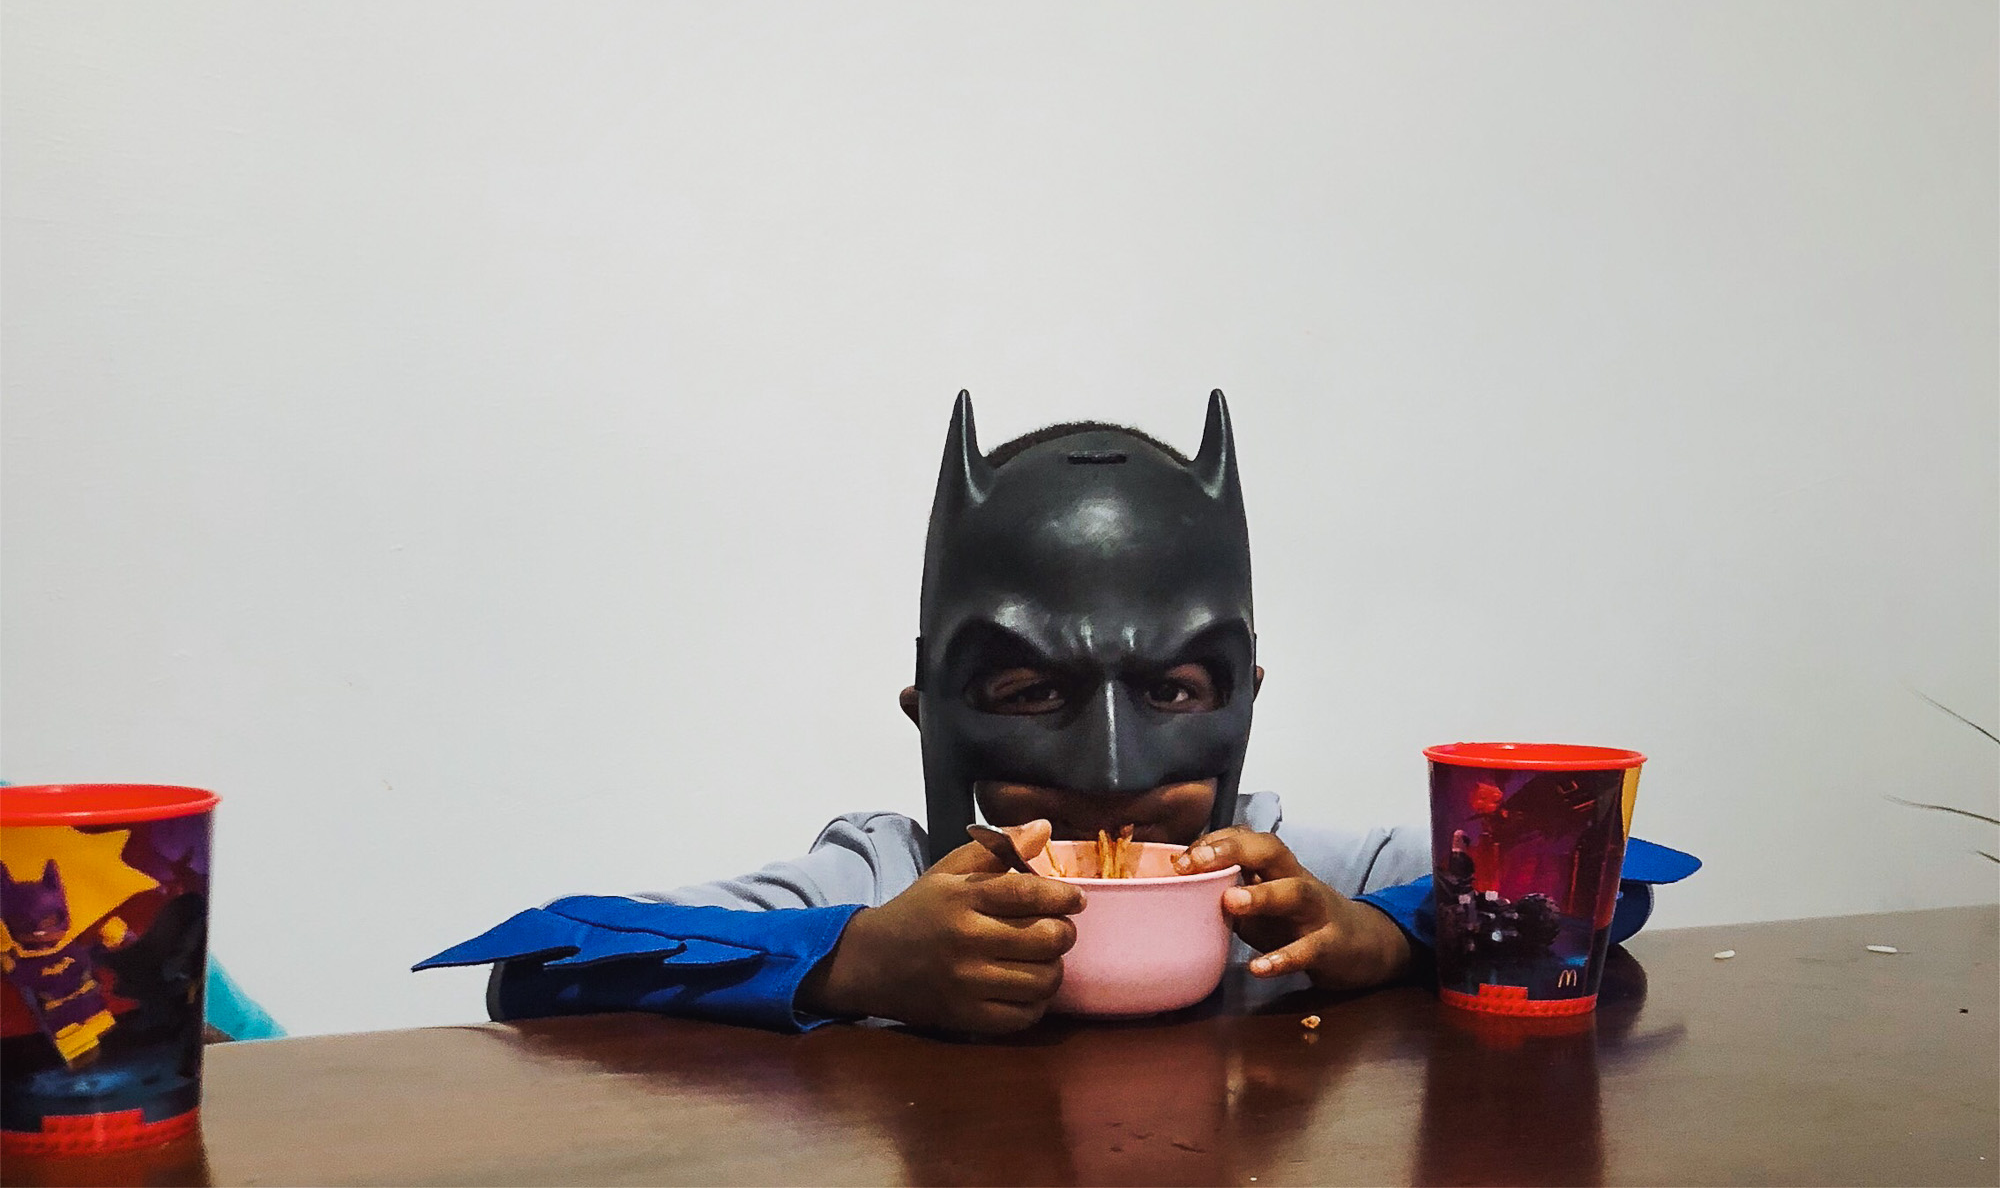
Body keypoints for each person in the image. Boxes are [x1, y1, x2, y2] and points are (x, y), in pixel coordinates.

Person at [416, 392, 1694, 1033]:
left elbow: (1600, 877)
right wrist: (855, 958)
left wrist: (1382, 937)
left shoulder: (1290, 881)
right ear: (933, 710)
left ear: (1243, 694)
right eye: (1030, 693)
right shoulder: (880, 875)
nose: (1111, 772)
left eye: (1173, 689)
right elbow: (538, 970)